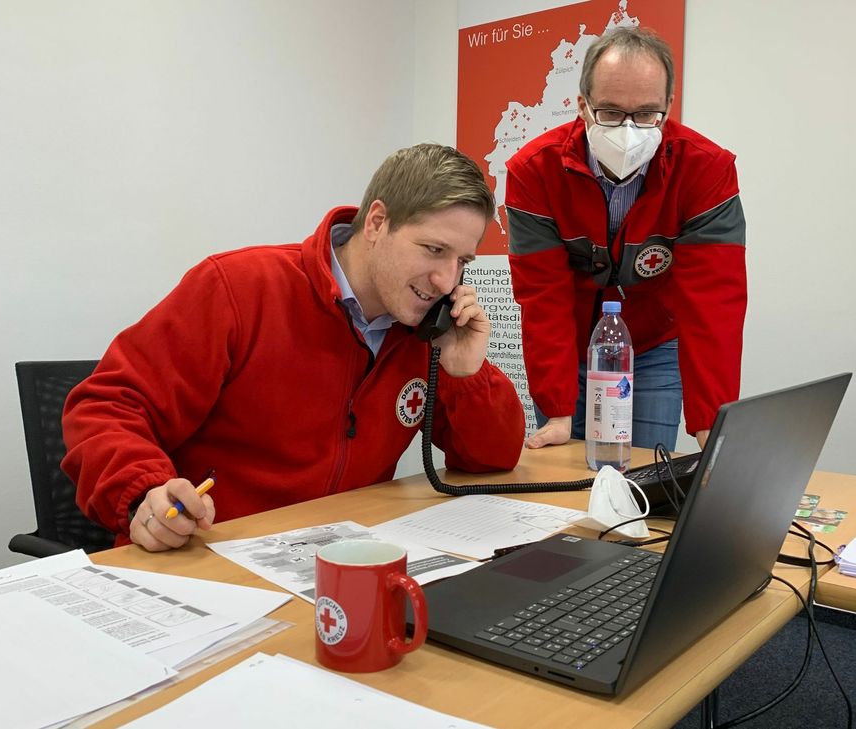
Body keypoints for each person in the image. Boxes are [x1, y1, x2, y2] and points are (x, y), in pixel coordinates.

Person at [62, 143, 525, 551]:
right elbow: (105, 407)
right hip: (212, 554)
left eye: (462, 260)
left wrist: (466, 371)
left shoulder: (424, 327)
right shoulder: (238, 288)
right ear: (378, 223)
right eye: (433, 250)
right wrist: (144, 491)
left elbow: (495, 458)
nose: (447, 280)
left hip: (337, 558)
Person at [505, 27, 746, 453]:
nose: (629, 129)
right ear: (582, 105)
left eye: (647, 113)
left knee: (646, 478)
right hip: (570, 345)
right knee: (565, 479)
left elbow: (713, 302)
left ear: (669, 106)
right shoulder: (534, 171)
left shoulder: (706, 170)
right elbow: (543, 295)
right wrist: (557, 408)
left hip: (654, 344)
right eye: (611, 113)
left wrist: (711, 422)